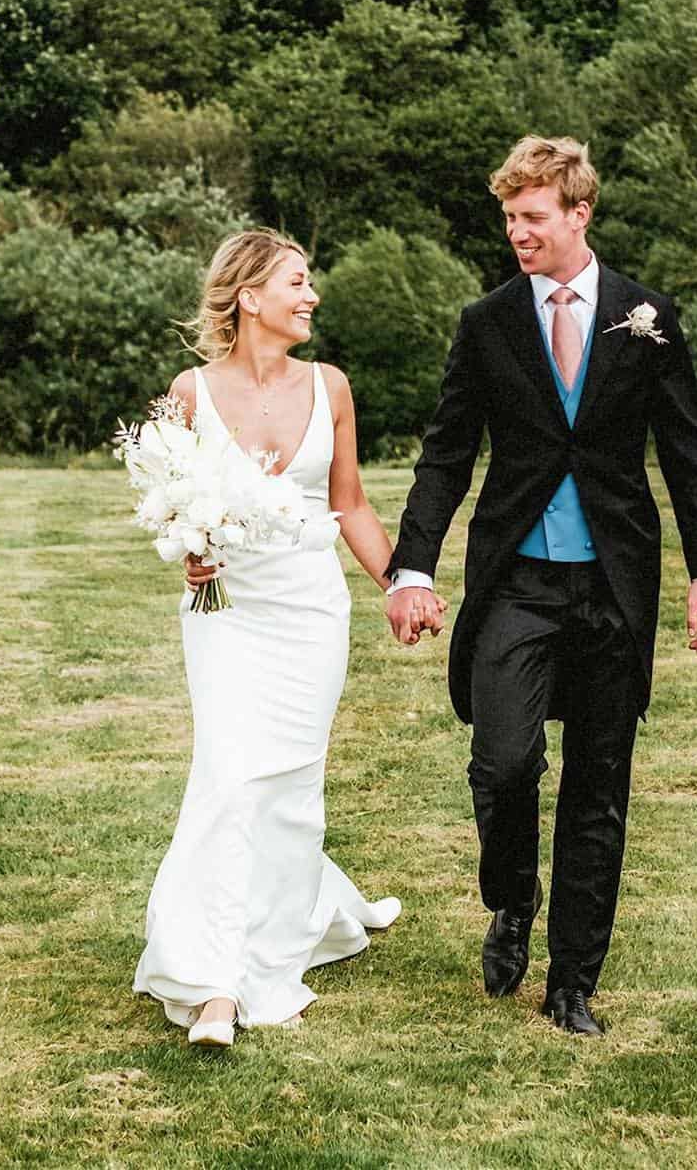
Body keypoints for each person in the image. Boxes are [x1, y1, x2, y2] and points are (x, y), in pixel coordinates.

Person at [385, 136, 697, 1035]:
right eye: (509, 218)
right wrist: (413, 563)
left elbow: (689, 454)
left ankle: (572, 983)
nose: (518, 232)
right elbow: (448, 451)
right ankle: (511, 898)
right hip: (519, 583)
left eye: (533, 216)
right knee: (502, 764)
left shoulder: (648, 315)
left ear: (579, 214)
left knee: (599, 787)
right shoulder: (487, 321)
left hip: (614, 585)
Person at [134, 229, 438, 1048]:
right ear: (249, 297)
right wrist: (190, 552)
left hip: (310, 611)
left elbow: (352, 505)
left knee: (290, 786)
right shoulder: (190, 392)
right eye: (297, 283)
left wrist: (402, 582)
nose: (312, 297)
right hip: (227, 613)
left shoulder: (330, 385)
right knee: (231, 775)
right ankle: (216, 984)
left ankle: (292, 920)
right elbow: (166, 500)